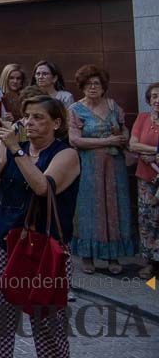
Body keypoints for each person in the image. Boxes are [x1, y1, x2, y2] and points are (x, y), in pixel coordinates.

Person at [0, 95, 79, 358]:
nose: (29, 122)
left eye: (38, 117)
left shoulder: (67, 154)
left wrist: (17, 150)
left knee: (47, 324)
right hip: (1, 242)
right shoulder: (10, 148)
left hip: (44, 248)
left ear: (56, 123)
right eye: (27, 116)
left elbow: (43, 187)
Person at [68, 64, 136, 274]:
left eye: (97, 83)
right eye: (88, 84)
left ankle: (113, 256)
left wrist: (122, 134)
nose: (93, 87)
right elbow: (75, 140)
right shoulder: (75, 109)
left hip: (114, 167)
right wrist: (107, 140)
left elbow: (124, 132)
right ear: (82, 86)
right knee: (90, 209)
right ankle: (88, 257)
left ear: (103, 86)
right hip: (89, 166)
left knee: (115, 207)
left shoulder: (113, 106)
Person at [129, 82, 159, 282]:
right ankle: (150, 262)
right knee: (147, 219)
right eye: (155, 96)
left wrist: (154, 154)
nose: (158, 100)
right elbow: (132, 144)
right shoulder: (142, 118)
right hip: (146, 178)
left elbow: (141, 147)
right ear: (149, 100)